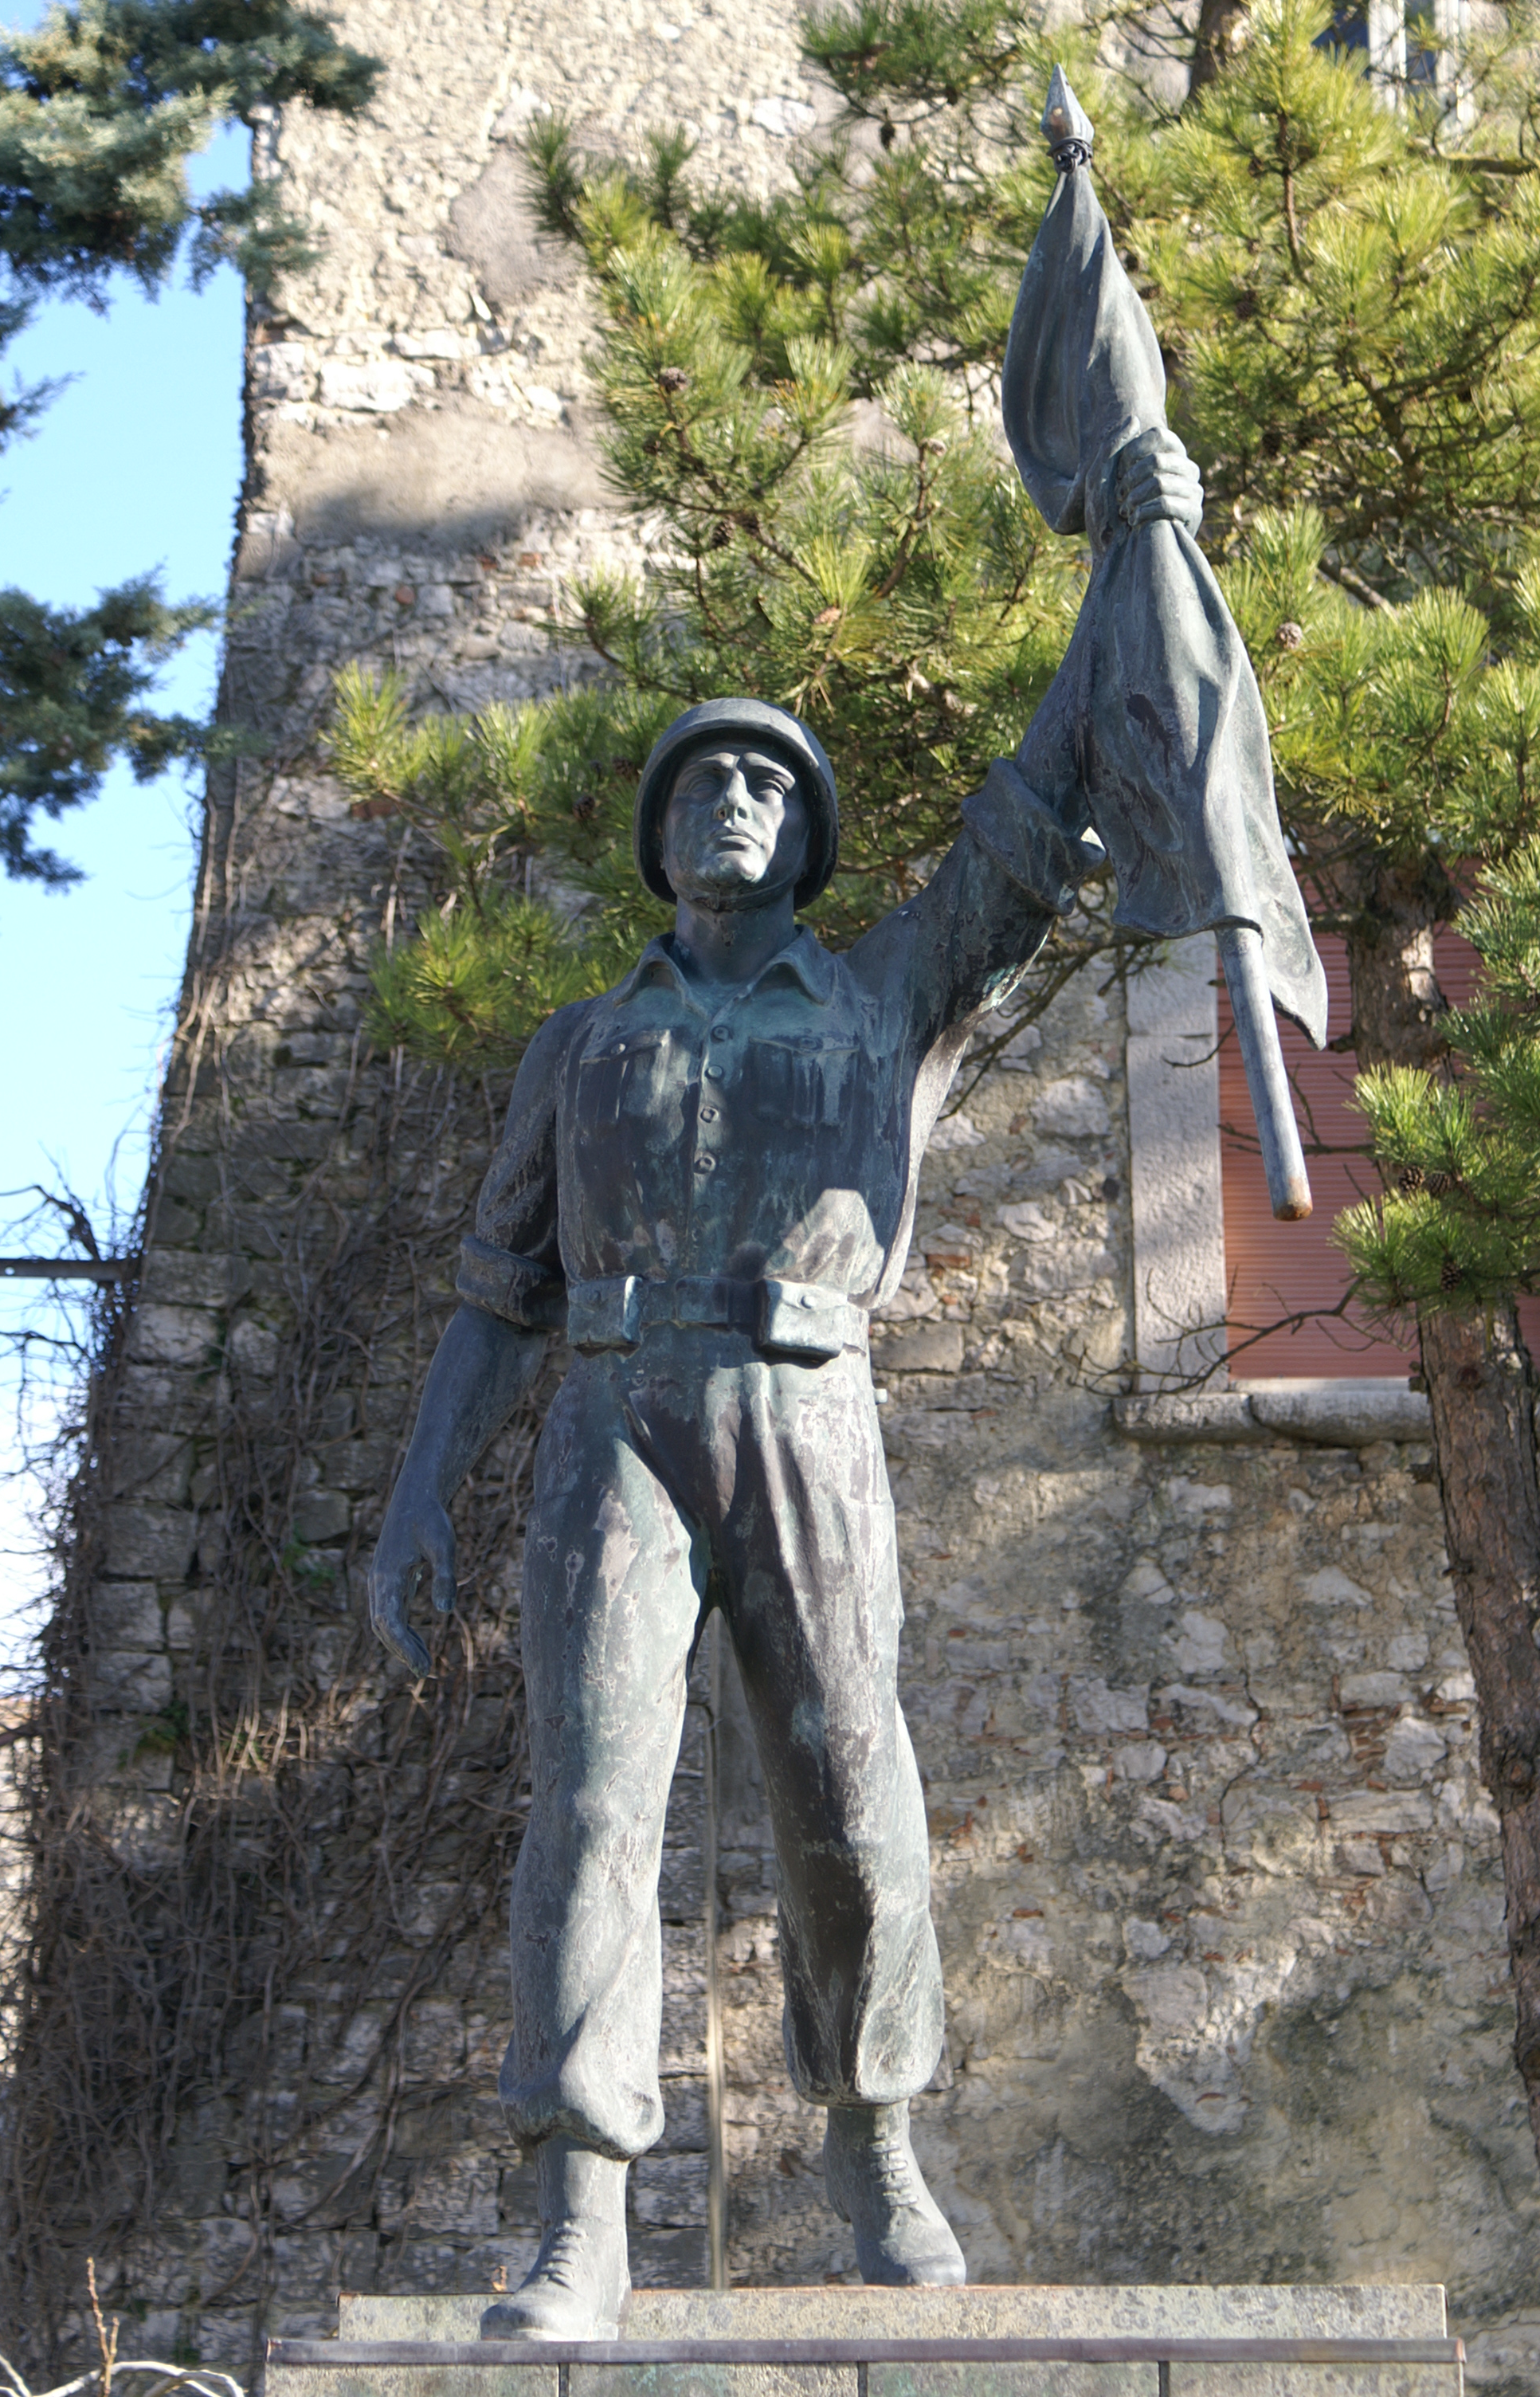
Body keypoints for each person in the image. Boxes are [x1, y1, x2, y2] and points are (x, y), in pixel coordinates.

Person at [368, 421, 1200, 2344]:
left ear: (806, 837)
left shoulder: (888, 991)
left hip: (808, 1412)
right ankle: (578, 2210)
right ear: (659, 836)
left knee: (846, 1786)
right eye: (703, 780)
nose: (734, 798)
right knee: (591, 1802)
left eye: (767, 780)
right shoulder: (580, 1045)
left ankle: (877, 2147)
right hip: (614, 1418)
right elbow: (498, 1293)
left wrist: (1127, 554)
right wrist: (419, 1493)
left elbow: (1042, 798)